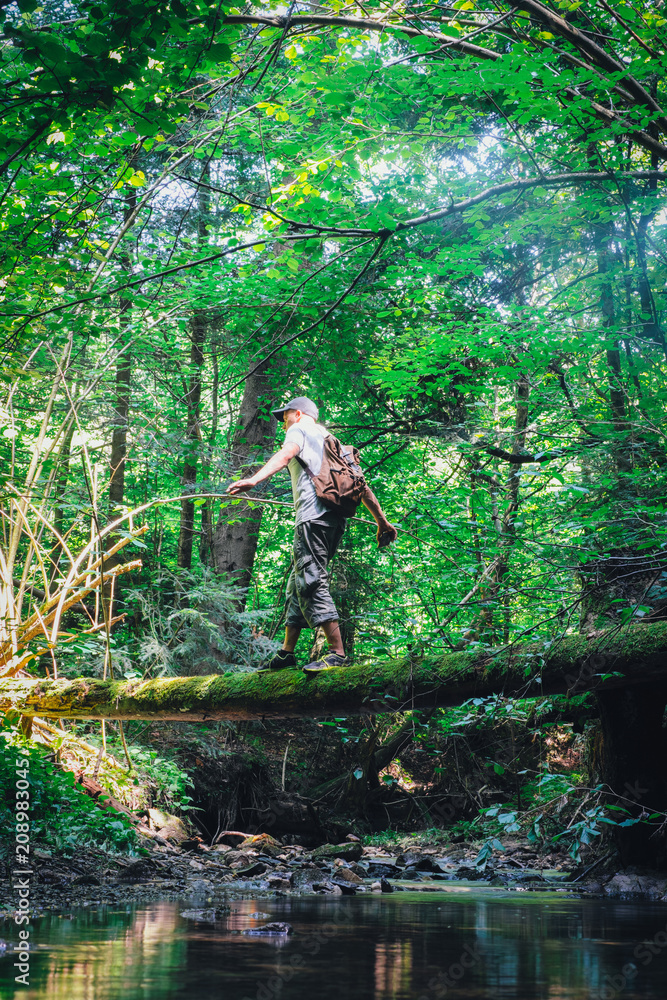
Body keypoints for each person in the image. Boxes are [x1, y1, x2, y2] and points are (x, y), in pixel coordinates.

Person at [226, 395, 397, 672]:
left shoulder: (299, 429)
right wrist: (382, 521)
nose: (283, 424)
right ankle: (287, 653)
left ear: (298, 413)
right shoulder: (335, 443)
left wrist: (254, 479)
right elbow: (360, 485)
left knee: (311, 579)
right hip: (334, 519)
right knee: (298, 582)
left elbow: (286, 454)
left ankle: (337, 653)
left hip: (312, 516)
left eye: (285, 417)